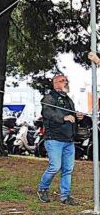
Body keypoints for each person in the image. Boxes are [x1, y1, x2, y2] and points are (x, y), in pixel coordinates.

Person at [37, 74, 84, 205]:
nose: (66, 82)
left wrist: (77, 116)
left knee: (68, 169)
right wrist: (64, 118)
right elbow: (47, 113)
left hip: (68, 139)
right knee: (55, 167)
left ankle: (65, 196)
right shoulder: (49, 98)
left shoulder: (68, 99)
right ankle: (42, 189)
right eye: (62, 81)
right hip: (54, 139)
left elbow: (70, 115)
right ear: (55, 83)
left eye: (66, 80)